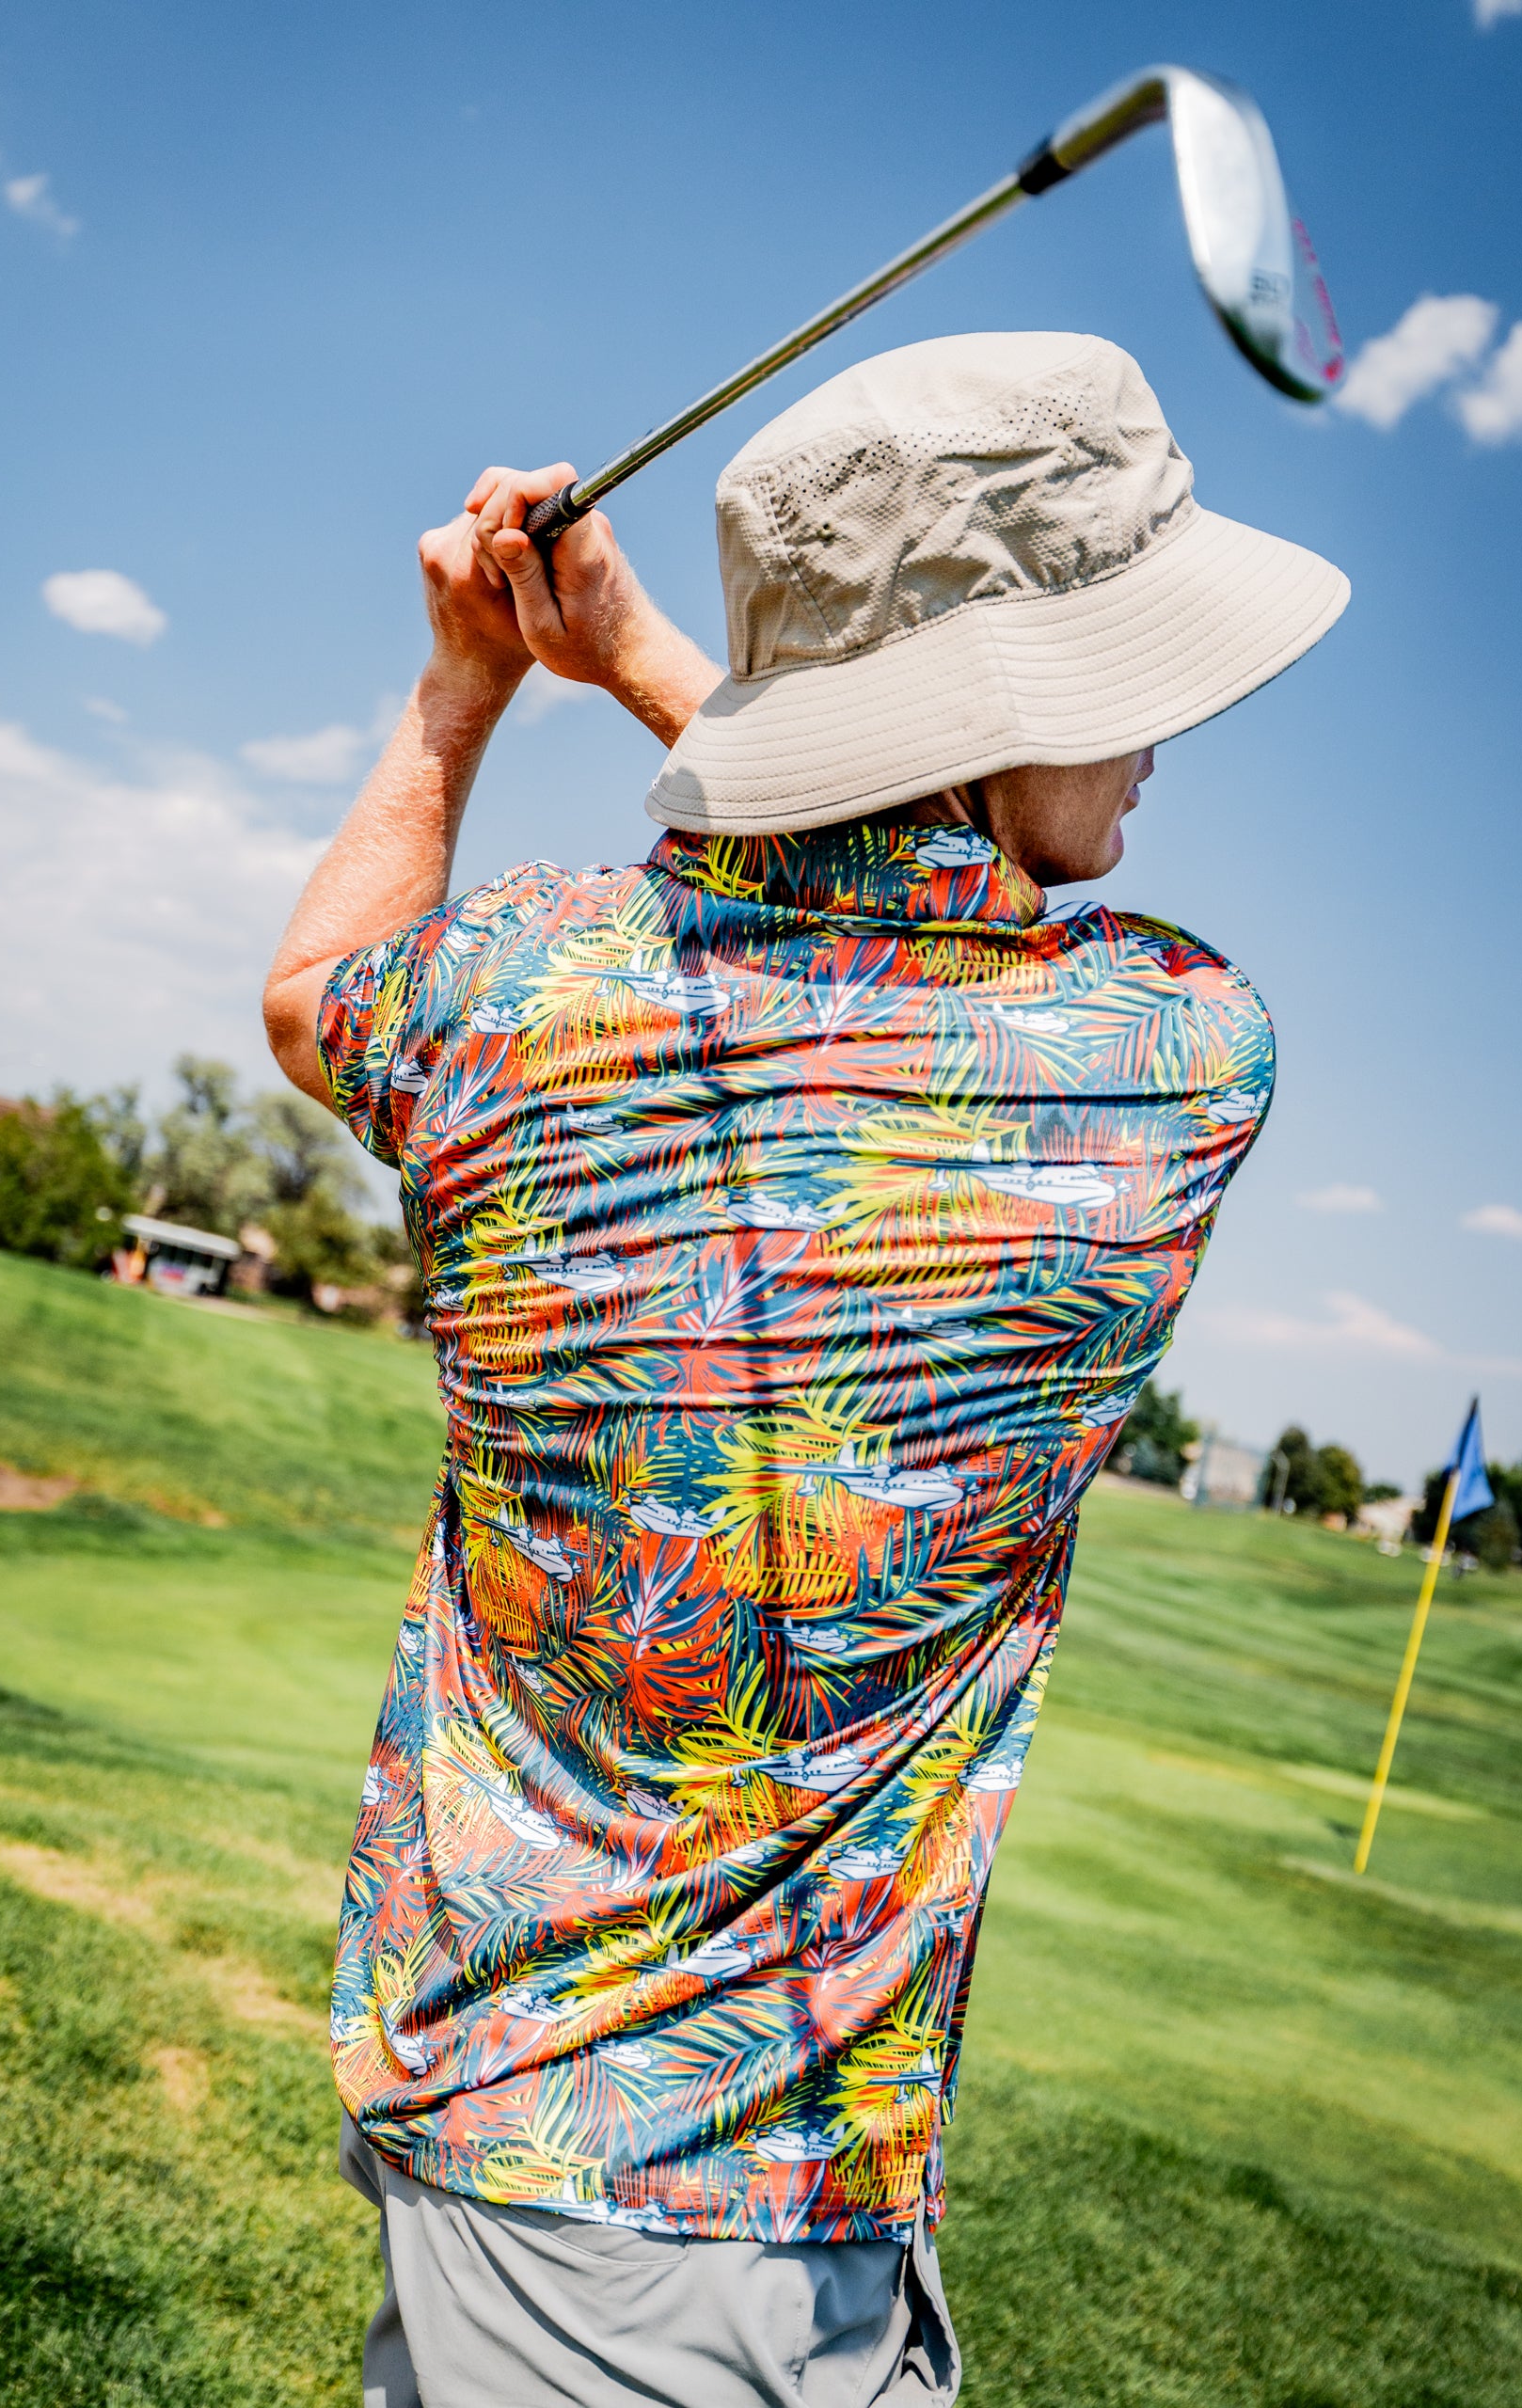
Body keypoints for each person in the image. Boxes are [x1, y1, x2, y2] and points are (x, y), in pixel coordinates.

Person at [262, 330, 1348, 2408]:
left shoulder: (512, 994)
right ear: (985, 708)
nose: (1165, 729)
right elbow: (913, 905)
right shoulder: (1177, 1057)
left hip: (511, 2143)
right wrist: (657, 661)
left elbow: (319, 1002)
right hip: (705, 2251)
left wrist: (471, 685)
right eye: (1113, 667)